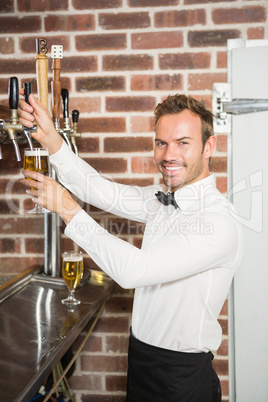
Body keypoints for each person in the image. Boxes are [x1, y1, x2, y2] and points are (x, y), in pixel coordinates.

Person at [18, 92, 244, 402]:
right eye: (161, 142)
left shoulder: (218, 222)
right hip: (140, 362)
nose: (168, 155)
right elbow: (97, 190)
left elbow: (135, 271)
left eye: (183, 142)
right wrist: (51, 139)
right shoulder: (161, 199)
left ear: (209, 147)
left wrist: (69, 209)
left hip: (181, 378)